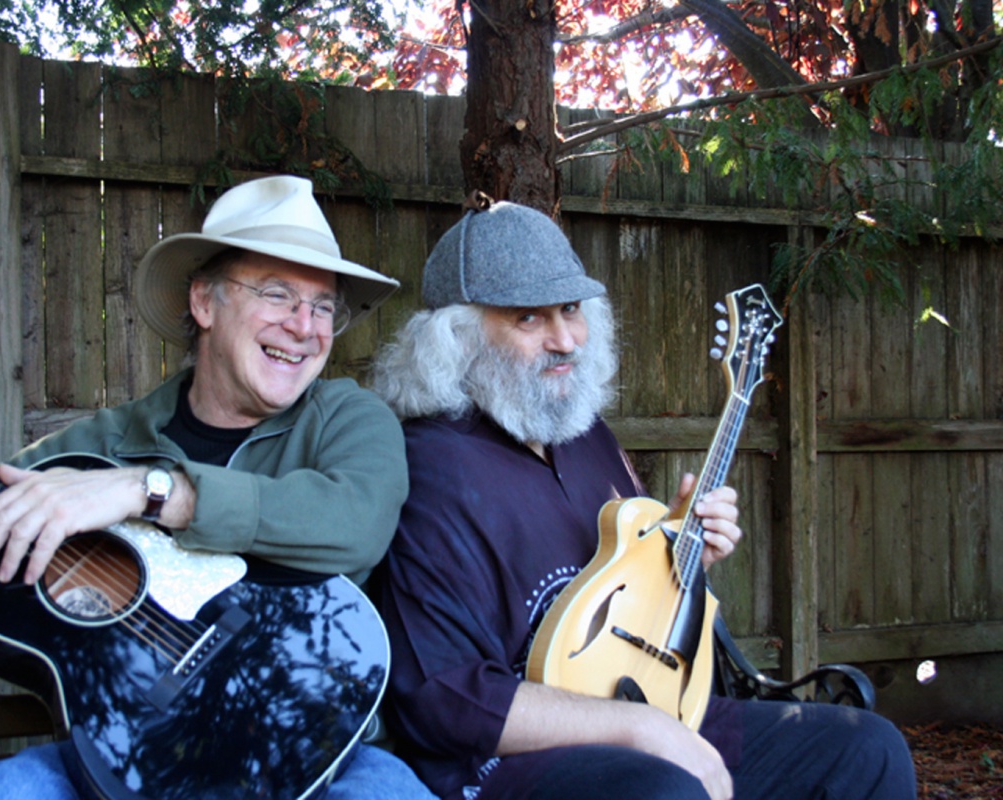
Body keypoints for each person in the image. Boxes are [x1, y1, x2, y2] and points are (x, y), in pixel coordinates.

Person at [0, 175, 435, 800]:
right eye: (278, 295)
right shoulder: (100, 445)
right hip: (119, 758)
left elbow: (357, 525)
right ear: (205, 304)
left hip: (320, 752)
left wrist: (155, 490)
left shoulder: (347, 417)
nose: (306, 325)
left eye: (324, 306)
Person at [369, 195, 916, 800]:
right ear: (457, 337)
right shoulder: (428, 467)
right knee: (664, 791)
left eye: (571, 309)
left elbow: (624, 600)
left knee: (866, 748)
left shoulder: (583, 438)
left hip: (651, 715)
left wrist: (682, 555)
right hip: (509, 765)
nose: (565, 339)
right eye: (528, 318)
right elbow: (443, 699)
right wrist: (637, 730)